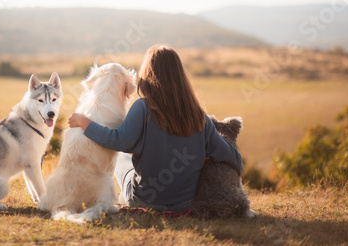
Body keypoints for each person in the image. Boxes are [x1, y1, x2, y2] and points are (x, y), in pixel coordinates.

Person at [68, 44, 243, 211]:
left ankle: (110, 197)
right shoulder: (199, 115)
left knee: (121, 158)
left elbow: (119, 141)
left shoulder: (143, 107)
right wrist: (236, 169)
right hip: (186, 203)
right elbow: (231, 156)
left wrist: (85, 123)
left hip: (145, 200)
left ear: (148, 74)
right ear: (181, 77)